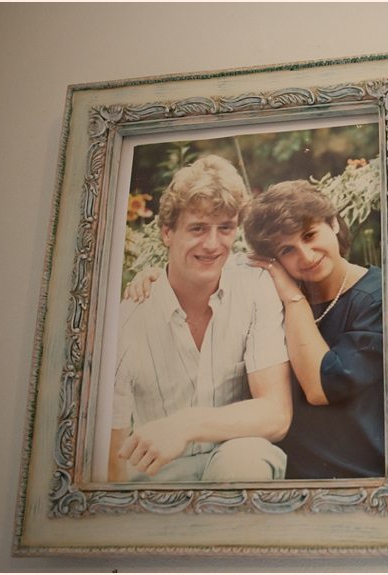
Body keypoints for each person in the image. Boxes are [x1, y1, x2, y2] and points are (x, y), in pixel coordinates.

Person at [109, 155, 292, 483]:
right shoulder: (128, 318)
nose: (212, 244)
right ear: (167, 232)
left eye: (225, 228)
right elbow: (111, 459)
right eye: (197, 228)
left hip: (232, 460)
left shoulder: (254, 287)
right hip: (157, 477)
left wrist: (185, 425)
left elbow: (276, 415)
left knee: (247, 458)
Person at [244, 180, 385, 479]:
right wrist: (153, 281)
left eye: (309, 235)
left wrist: (293, 300)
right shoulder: (271, 298)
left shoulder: (379, 298)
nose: (306, 256)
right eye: (287, 250)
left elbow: (321, 389)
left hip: (356, 480)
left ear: (333, 223)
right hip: (285, 478)